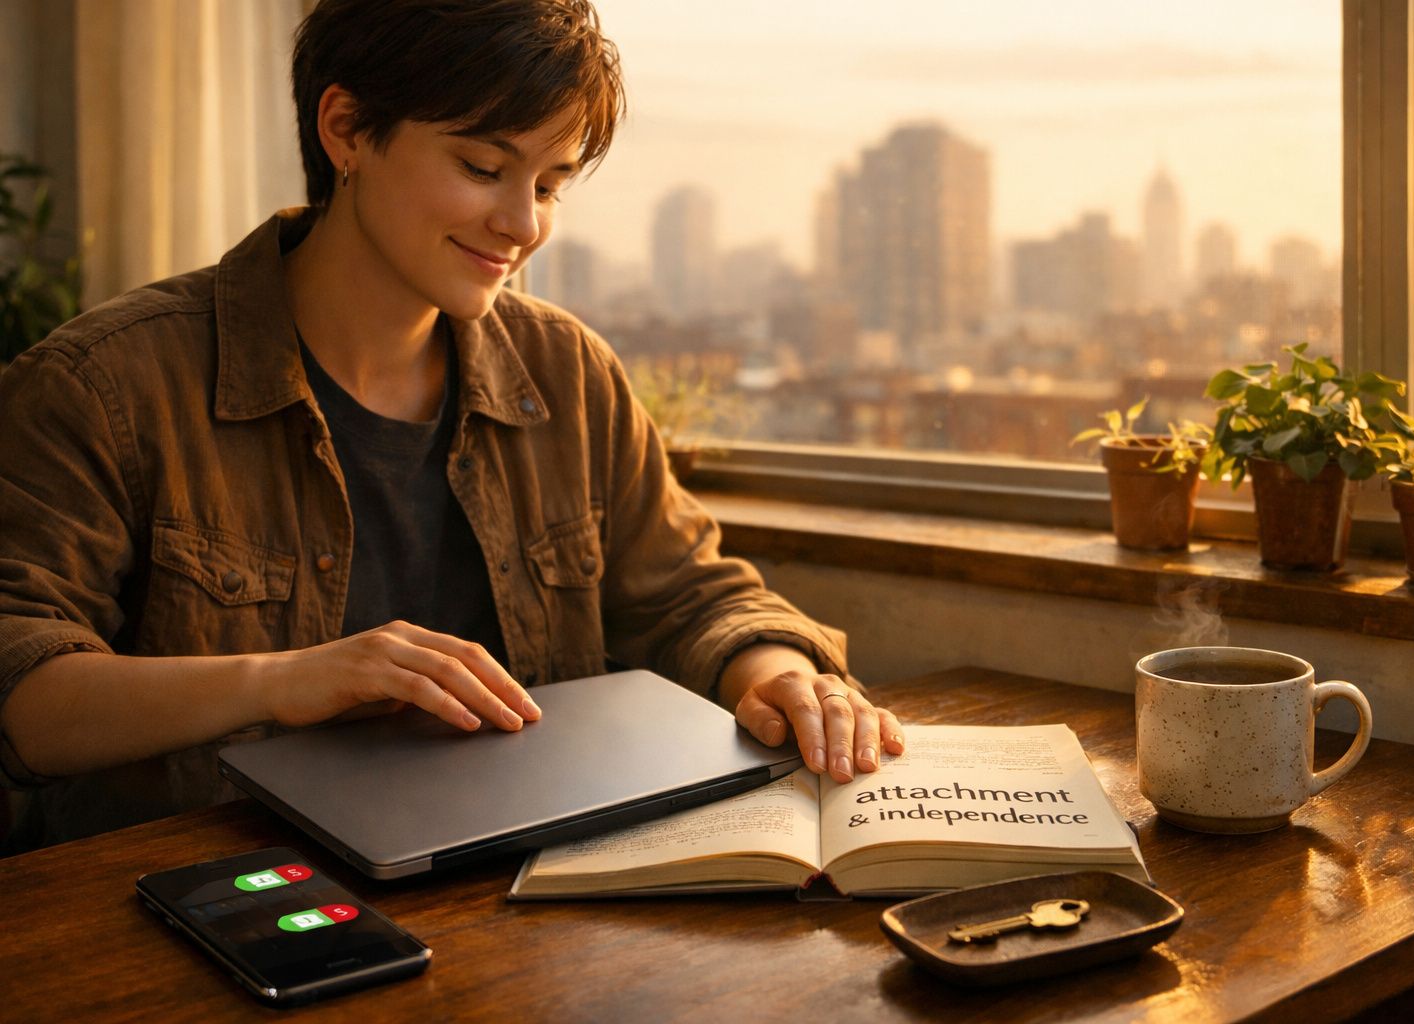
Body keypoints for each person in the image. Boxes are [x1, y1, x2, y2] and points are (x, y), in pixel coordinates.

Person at [0, 0, 902, 852]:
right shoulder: (103, 385)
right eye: (482, 168)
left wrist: (779, 675)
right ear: (345, 129)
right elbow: (21, 690)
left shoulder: (567, 373)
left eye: (550, 185)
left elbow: (689, 595)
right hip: (198, 909)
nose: (522, 226)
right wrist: (286, 679)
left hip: (510, 912)